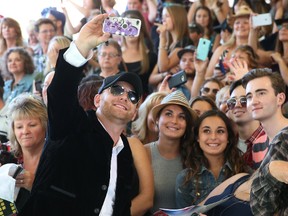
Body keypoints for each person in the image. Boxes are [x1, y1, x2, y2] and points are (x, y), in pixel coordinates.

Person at [19, 13, 144, 216]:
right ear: (96, 100)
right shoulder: (72, 125)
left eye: (132, 96)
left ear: (134, 113)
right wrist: (81, 46)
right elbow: (59, 92)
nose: (124, 97)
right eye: (117, 90)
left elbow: (121, 207)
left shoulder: (125, 152)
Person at [175, 109, 249, 208]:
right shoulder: (185, 178)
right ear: (197, 137)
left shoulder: (244, 172)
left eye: (220, 131)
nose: (213, 137)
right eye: (206, 131)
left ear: (228, 138)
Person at [241, 68, 288, 215]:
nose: (253, 101)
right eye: (249, 96)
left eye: (261, 93)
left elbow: (262, 208)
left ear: (280, 98)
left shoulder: (285, 137)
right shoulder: (259, 144)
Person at [145, 90, 197, 213]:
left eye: (181, 117)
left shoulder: (194, 158)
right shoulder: (142, 152)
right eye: (168, 114)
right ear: (157, 120)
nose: (174, 121)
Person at [7, 93, 47, 212]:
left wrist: (35, 186)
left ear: (45, 126)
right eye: (19, 127)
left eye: (32, 125)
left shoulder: (55, 161)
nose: (25, 131)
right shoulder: (6, 159)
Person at [228, 79, 268, 169]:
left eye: (244, 100)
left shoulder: (272, 138)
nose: (237, 105)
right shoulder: (227, 142)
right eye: (232, 102)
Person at [119, 10, 157, 98]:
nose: (131, 31)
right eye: (127, 27)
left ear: (140, 29)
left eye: (134, 27)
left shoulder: (151, 57)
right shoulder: (115, 55)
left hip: (144, 103)